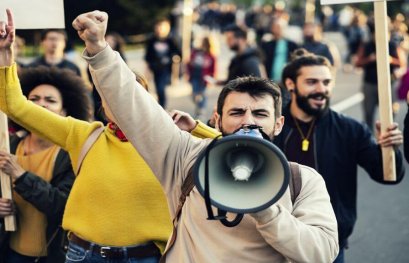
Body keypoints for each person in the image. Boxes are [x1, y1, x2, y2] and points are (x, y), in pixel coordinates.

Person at [73, 10, 339, 262]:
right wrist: (99, 50)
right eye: (237, 112)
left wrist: (266, 209)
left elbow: (322, 252)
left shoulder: (301, 181)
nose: (248, 121)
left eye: (260, 114)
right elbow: (137, 109)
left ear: (279, 124)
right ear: (217, 119)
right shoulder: (186, 157)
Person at [0, 9, 171, 263]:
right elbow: (15, 105)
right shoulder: (84, 135)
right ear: (102, 103)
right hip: (83, 255)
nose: (122, 101)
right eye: (111, 94)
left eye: (132, 93)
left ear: (148, 100)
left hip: (144, 257)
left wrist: (194, 127)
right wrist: (5, 53)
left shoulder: (169, 140)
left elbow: (221, 148)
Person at [274, 49, 405, 262]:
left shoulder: (350, 130)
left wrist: (389, 149)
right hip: (275, 239)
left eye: (326, 82)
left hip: (327, 243)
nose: (321, 89)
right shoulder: (272, 127)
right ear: (290, 84)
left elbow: (387, 176)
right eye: (312, 82)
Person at [0, 66, 92, 262]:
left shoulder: (72, 155)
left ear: (65, 111)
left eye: (50, 100)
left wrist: (21, 176)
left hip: (52, 255)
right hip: (9, 252)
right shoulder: (9, 145)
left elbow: (63, 207)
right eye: (33, 100)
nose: (41, 105)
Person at [145, 18, 181, 108]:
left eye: (162, 27)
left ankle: (162, 106)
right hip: (156, 68)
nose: (159, 29)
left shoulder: (171, 40)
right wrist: (148, 68)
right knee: (158, 88)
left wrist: (175, 58)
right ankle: (161, 105)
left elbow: (179, 54)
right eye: (158, 27)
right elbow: (148, 56)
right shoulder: (152, 40)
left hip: (167, 68)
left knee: (161, 88)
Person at [187, 36, 216, 119]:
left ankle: (201, 109)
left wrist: (212, 79)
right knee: (194, 94)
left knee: (202, 94)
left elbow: (213, 69)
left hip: (205, 78)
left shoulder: (211, 55)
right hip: (195, 76)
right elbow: (189, 63)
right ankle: (198, 107)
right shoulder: (195, 52)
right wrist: (188, 73)